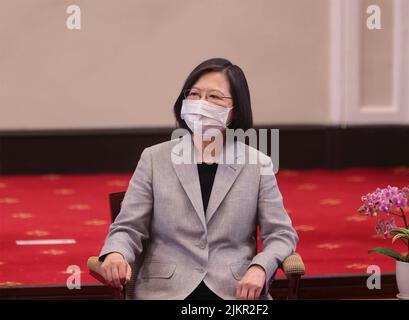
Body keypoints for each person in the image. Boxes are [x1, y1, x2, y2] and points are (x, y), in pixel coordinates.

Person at [99, 58, 298, 300]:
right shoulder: (154, 158)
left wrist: (260, 268)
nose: (201, 103)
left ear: (235, 110)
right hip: (166, 291)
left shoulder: (258, 165)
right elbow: (128, 228)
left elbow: (281, 234)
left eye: (214, 97)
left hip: (234, 291)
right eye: (194, 94)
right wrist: (116, 253)